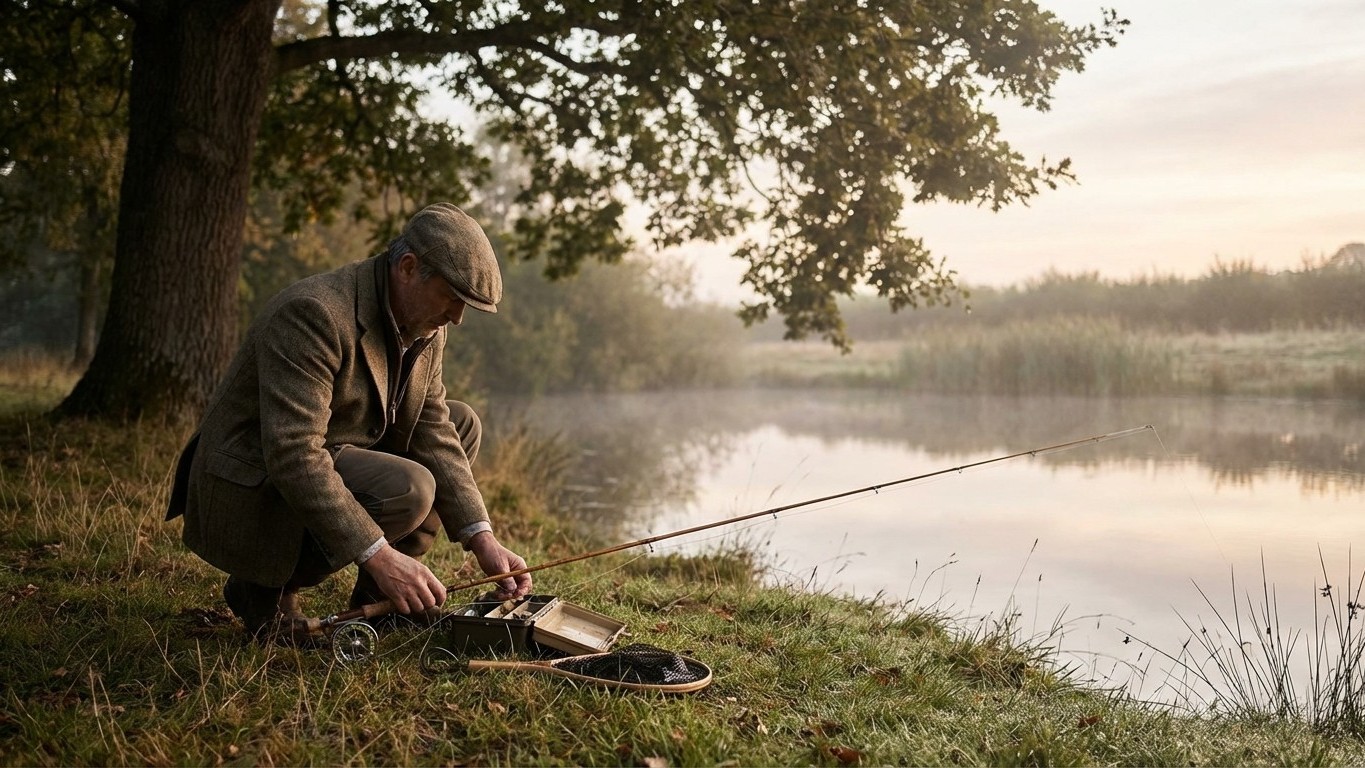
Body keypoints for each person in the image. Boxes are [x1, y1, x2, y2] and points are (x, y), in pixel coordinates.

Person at [166, 203, 532, 642]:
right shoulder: (313, 314)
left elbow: (432, 423)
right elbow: (294, 453)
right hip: (256, 484)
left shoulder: (426, 323)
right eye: (453, 297)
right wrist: (378, 553)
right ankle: (263, 589)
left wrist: (482, 538)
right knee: (411, 487)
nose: (457, 317)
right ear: (409, 268)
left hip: (335, 449)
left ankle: (381, 603)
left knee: (461, 423)